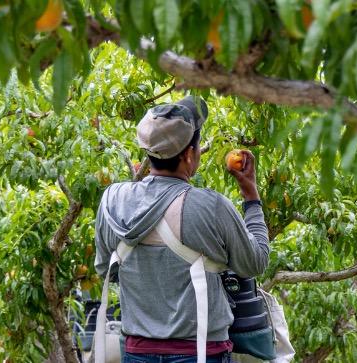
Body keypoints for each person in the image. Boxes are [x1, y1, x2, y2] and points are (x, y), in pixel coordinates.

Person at [93, 96, 270, 363]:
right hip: (200, 353)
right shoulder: (210, 206)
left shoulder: (113, 200)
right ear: (189, 155)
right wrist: (251, 197)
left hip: (137, 351)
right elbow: (255, 263)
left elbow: (104, 268)